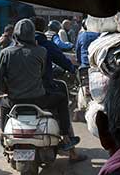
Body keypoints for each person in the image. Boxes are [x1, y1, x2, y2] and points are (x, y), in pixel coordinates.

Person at [0, 19, 79, 152]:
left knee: (3, 103)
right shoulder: (42, 51)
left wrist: (8, 90)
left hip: (14, 100)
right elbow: (43, 74)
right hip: (39, 98)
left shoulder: (6, 52)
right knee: (62, 98)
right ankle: (65, 135)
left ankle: (3, 134)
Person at [32, 16, 86, 161]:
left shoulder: (13, 46)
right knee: (62, 99)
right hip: (43, 91)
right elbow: (61, 58)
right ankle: (69, 144)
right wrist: (71, 68)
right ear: (44, 29)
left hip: (16, 95)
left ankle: (3, 135)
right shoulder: (45, 44)